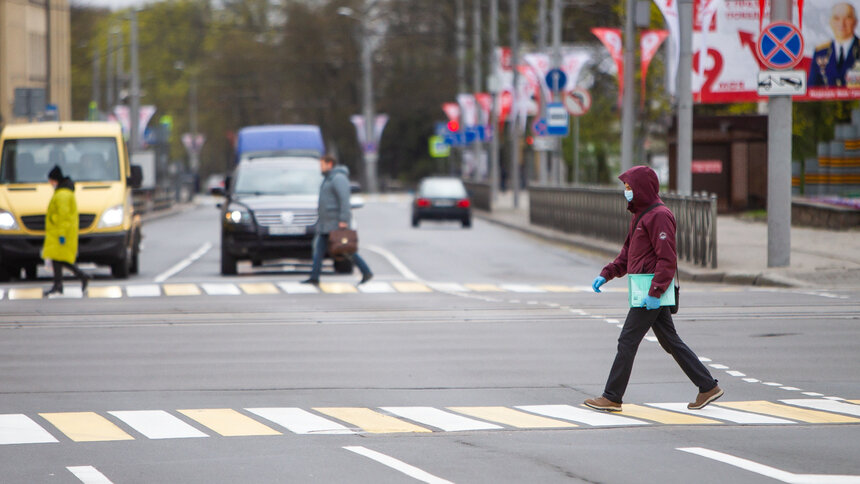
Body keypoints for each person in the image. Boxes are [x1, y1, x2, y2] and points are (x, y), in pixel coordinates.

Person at [584, 166, 722, 412]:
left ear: (642, 188)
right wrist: (606, 274)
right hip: (646, 292)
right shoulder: (640, 214)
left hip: (650, 292)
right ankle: (707, 386)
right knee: (670, 341)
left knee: (627, 341)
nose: (626, 192)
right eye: (625, 188)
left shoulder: (659, 215)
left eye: (629, 187)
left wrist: (655, 292)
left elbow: (667, 259)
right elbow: (628, 254)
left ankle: (612, 397)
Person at [302, 155, 372, 285]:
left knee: (345, 249)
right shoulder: (328, 178)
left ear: (330, 164)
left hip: (335, 222)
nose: (320, 168)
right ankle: (314, 276)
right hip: (326, 223)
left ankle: (366, 271)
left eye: (322, 165)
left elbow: (344, 200)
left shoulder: (338, 178)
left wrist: (343, 220)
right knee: (319, 249)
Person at [43, 165, 89, 296]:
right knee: (58, 260)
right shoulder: (63, 192)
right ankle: (59, 285)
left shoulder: (62, 195)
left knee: (60, 260)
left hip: (60, 232)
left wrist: (61, 234)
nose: (50, 183)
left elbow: (63, 217)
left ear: (55, 180)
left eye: (51, 180)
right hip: (59, 232)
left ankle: (79, 276)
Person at [809, 3, 860, 87]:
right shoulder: (821, 52)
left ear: (855, 22)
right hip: (826, 100)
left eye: (847, 18)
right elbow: (811, 88)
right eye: (836, 18)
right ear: (831, 22)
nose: (842, 23)